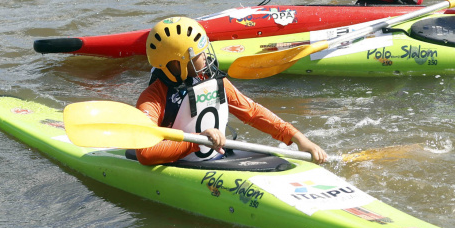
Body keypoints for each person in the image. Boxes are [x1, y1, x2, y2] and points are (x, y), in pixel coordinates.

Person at [135, 17, 328, 166]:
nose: (206, 57)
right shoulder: (153, 98)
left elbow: (253, 113)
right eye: (200, 54)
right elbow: (145, 153)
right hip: (177, 165)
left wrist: (299, 139)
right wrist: (197, 141)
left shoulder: (213, 81)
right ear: (179, 64)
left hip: (214, 158)